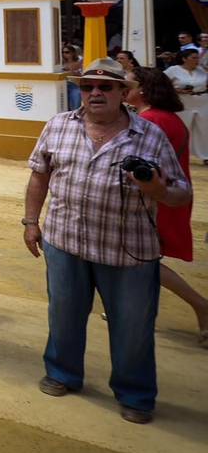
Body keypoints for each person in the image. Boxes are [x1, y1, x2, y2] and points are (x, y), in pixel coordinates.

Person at [22, 57, 191, 423]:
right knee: (63, 314)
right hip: (65, 240)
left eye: (105, 87)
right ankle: (62, 372)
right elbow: (39, 176)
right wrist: (31, 222)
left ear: (123, 93)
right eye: (87, 87)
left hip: (127, 249)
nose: (95, 93)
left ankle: (135, 394)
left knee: (132, 325)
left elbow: (182, 193)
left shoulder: (150, 135)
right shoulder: (58, 125)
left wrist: (158, 189)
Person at [127, 68, 208, 346]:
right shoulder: (169, 118)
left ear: (144, 90)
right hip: (169, 196)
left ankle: (200, 304)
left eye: (130, 83)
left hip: (154, 200)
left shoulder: (148, 120)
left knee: (144, 261)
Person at [163, 46, 206, 163]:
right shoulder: (173, 70)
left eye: (197, 58)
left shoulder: (202, 70)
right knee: (182, 127)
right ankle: (178, 152)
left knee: (204, 128)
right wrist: (177, 90)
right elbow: (161, 83)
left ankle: (205, 155)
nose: (197, 60)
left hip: (202, 101)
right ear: (184, 59)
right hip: (183, 101)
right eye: (194, 58)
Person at [61, 44, 82, 110]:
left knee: (75, 106)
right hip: (63, 85)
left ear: (72, 53)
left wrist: (73, 73)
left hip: (74, 84)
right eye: (63, 52)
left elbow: (82, 75)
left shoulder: (80, 63)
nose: (64, 54)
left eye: (67, 52)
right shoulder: (60, 63)